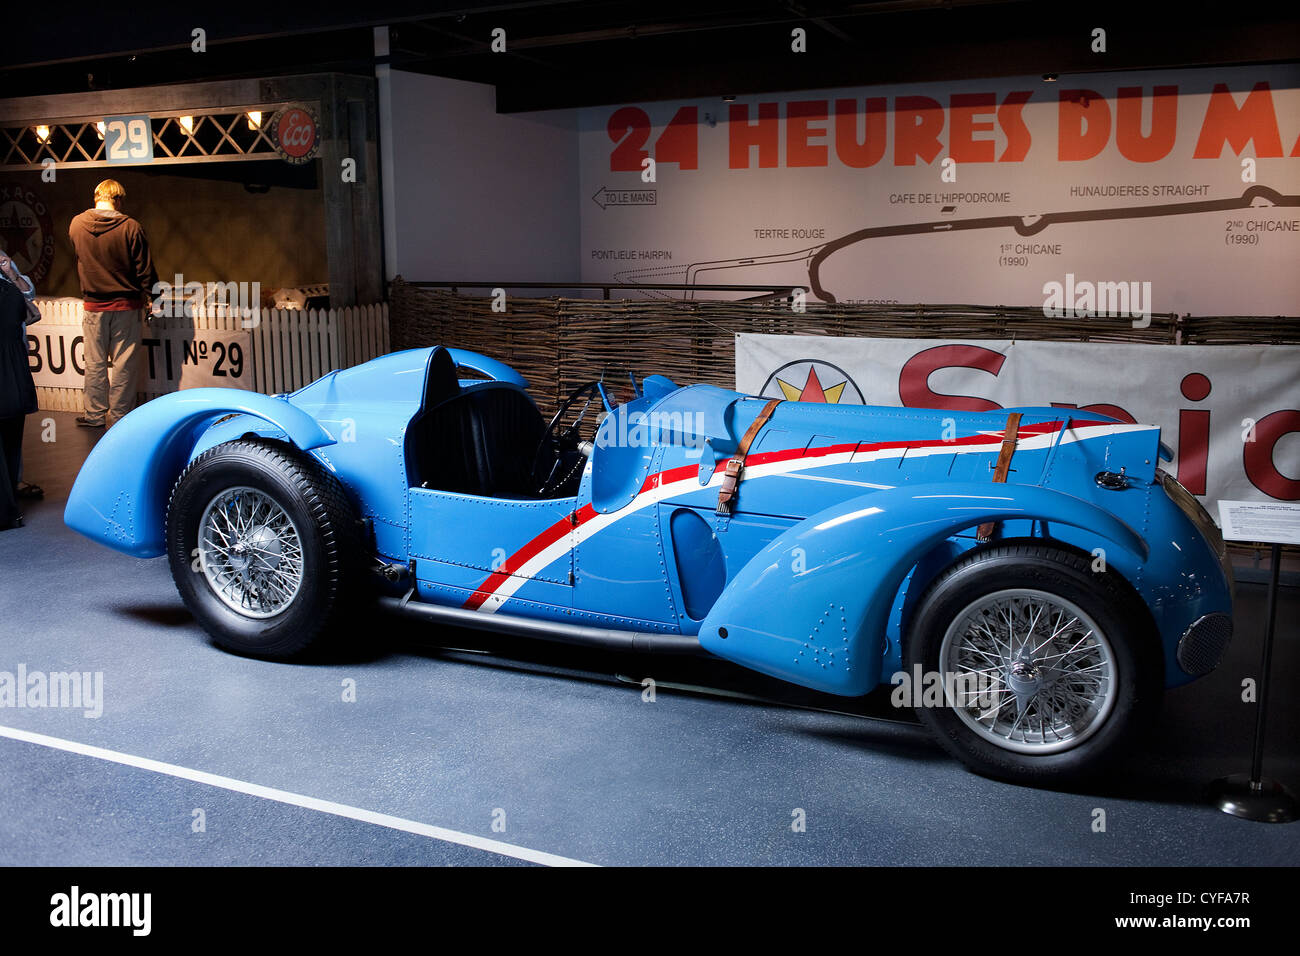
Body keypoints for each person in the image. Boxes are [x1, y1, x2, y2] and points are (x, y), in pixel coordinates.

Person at [68, 179, 158, 428]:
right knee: (124, 365)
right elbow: (145, 269)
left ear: (96, 197)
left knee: (94, 362)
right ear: (118, 199)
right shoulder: (131, 227)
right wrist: (154, 297)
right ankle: (120, 416)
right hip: (126, 306)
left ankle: (94, 415)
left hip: (93, 306)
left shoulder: (76, 225)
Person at [0, 249, 40, 530]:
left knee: (10, 443)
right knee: (9, 442)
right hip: (14, 366)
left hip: (10, 364)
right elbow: (31, 312)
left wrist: (10, 272)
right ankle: (9, 508)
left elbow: (31, 309)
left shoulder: (9, 283)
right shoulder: (8, 289)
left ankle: (7, 508)